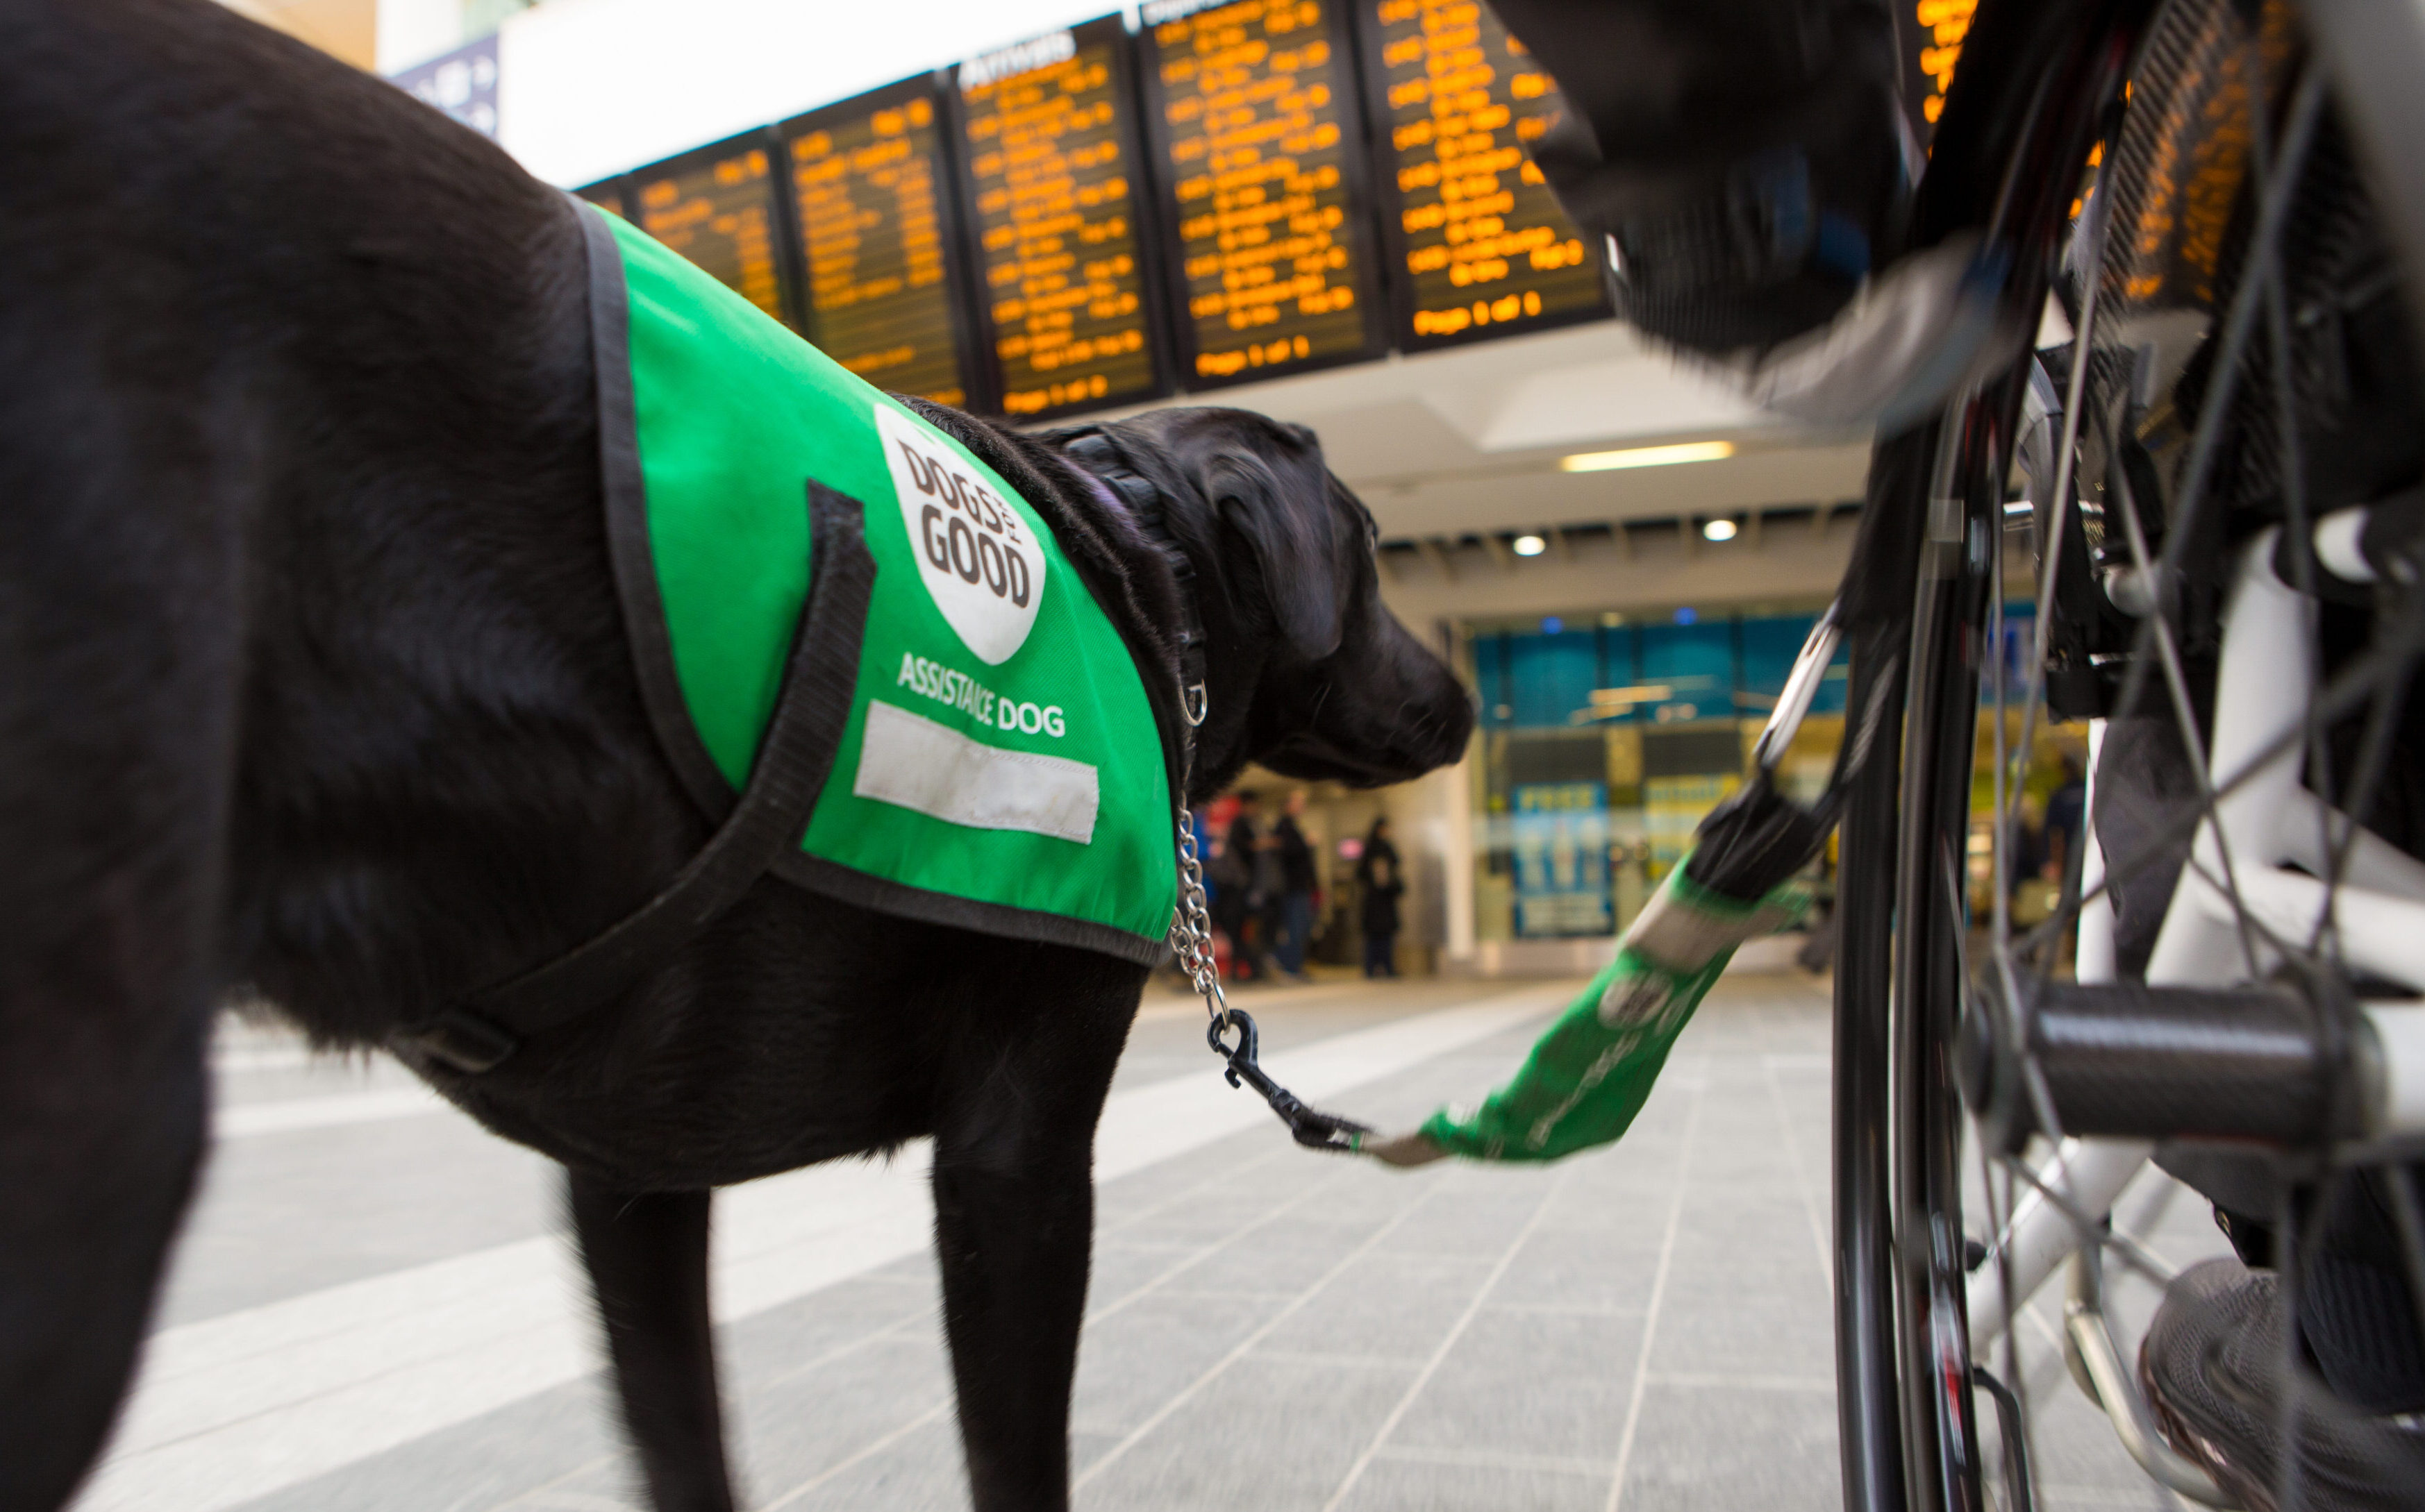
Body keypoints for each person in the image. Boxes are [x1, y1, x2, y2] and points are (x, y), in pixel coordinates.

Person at [1265, 791, 1317, 982]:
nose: (1302, 807)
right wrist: (1307, 844)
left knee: (1301, 926)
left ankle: (1292, 963)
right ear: (1288, 805)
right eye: (1299, 803)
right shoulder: (1284, 826)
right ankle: (1287, 963)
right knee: (1295, 927)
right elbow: (1286, 852)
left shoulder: (1292, 826)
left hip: (1299, 885)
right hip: (1291, 886)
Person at [1213, 792, 1262, 982]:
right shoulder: (1242, 827)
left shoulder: (1244, 827)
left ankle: (1243, 969)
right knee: (1237, 933)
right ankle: (1248, 969)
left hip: (1235, 893)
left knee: (1237, 934)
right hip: (1237, 893)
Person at [1356, 818, 1405, 977]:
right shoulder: (1378, 849)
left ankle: (1377, 967)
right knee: (1379, 936)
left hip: (1380, 901)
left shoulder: (1376, 848)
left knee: (1380, 936)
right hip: (1378, 901)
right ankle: (1379, 967)